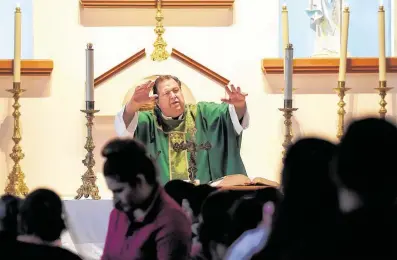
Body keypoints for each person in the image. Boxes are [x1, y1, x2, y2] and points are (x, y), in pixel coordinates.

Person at [114, 75, 249, 184]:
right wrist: (133, 104)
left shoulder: (203, 114)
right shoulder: (147, 122)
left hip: (203, 200)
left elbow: (232, 118)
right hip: (162, 205)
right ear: (156, 101)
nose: (173, 96)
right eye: (166, 93)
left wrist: (240, 105)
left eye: (176, 90)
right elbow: (124, 129)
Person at [101, 138, 192, 260]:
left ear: (139, 181)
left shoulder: (172, 221)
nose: (115, 200)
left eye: (119, 191)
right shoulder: (119, 213)